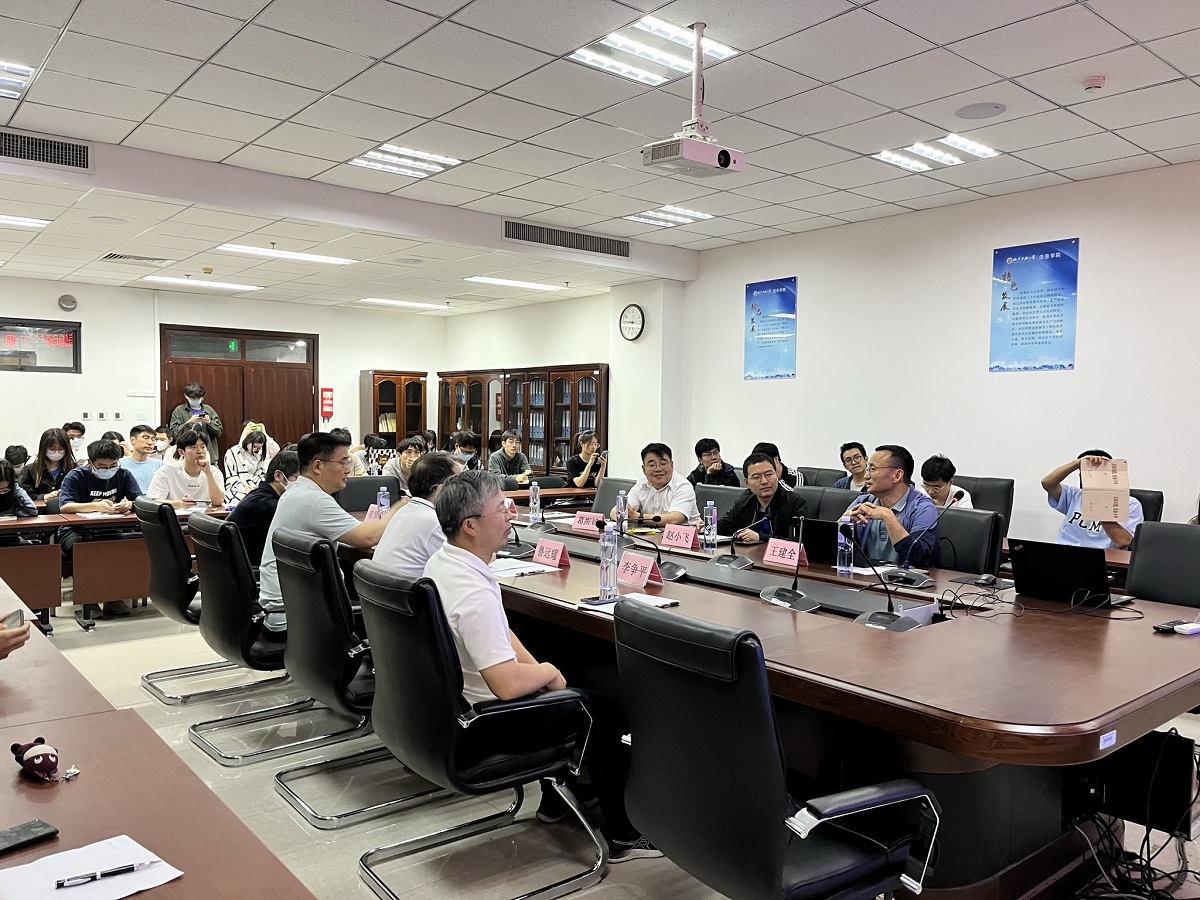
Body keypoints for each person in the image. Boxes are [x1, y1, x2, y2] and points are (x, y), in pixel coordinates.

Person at [424, 470, 660, 863]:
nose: (511, 513)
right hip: (489, 721)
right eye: (501, 508)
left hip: (463, 704)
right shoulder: (471, 591)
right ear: (470, 525)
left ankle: (560, 799)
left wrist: (541, 668)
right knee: (606, 710)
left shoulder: (446, 561)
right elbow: (506, 684)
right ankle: (623, 834)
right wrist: (547, 673)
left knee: (567, 666)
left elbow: (501, 633)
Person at [257, 431, 399, 632]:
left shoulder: (296, 492)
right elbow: (368, 537)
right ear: (317, 466)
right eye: (343, 462)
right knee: (396, 620)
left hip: (285, 609)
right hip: (302, 618)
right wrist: (399, 508)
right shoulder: (314, 500)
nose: (348, 469)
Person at [57, 438, 144, 623]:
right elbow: (65, 507)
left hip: (109, 528)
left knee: (122, 546)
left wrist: (130, 504)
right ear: (91, 463)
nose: (109, 470)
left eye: (113, 465)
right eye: (103, 466)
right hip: (74, 531)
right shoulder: (75, 476)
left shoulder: (123, 474)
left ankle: (114, 598)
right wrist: (97, 506)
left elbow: (140, 500)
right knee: (88, 550)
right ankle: (90, 601)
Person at [845, 445, 940, 567]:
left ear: (897, 475)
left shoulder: (923, 508)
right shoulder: (863, 501)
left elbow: (915, 556)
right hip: (865, 575)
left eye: (872, 469)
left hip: (906, 578)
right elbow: (831, 548)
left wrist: (887, 515)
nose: (866, 476)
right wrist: (844, 520)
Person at [375, 452, 462, 577]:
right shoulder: (433, 521)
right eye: (459, 484)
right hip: (408, 589)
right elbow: (462, 565)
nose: (463, 490)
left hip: (387, 587)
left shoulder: (405, 511)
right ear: (441, 489)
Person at [1041, 450, 1144, 550]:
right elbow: (1047, 483)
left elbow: (1123, 542)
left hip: (1102, 556)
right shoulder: (1074, 494)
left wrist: (1098, 505)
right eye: (1084, 473)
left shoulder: (1130, 504)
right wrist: (1077, 463)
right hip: (1065, 549)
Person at [227, 450, 300, 565]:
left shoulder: (261, 495)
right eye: (297, 478)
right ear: (278, 475)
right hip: (249, 567)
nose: (301, 484)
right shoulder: (267, 504)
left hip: (236, 565)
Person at [716, 453, 807, 542]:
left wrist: (760, 537)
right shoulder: (743, 504)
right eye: (756, 477)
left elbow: (797, 541)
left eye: (769, 474)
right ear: (747, 483)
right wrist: (707, 525)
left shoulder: (795, 503)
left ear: (777, 475)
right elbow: (722, 527)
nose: (764, 481)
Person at [615, 443, 699, 526]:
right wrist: (625, 513)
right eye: (652, 465)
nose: (658, 469)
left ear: (672, 465)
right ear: (644, 469)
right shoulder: (641, 485)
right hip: (651, 533)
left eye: (663, 464)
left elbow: (675, 518)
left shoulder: (683, 486)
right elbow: (616, 512)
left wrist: (637, 517)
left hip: (682, 533)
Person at [146, 430, 226, 509]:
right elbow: (154, 502)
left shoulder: (214, 472)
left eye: (203, 447)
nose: (200, 451)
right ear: (181, 452)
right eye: (193, 447)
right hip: (176, 515)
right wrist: (180, 504)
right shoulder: (166, 471)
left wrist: (208, 473)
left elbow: (218, 502)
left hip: (205, 515)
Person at [168, 383, 222, 465]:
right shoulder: (179, 411)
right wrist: (189, 422)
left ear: (202, 398)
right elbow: (174, 433)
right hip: (185, 458)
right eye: (192, 398)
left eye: (198, 398)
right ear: (186, 396)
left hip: (209, 457)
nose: (195, 400)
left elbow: (218, 431)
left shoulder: (209, 410)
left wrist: (209, 422)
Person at [19, 428, 76, 500]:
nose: (56, 452)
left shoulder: (74, 470)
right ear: (44, 449)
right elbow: (22, 496)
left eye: (61, 449)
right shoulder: (30, 470)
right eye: (52, 449)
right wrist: (44, 497)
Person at [224, 429, 270, 503]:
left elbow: (260, 476)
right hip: (236, 489)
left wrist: (256, 487)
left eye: (259, 448)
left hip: (255, 488)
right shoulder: (232, 453)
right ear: (248, 441)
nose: (256, 450)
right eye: (255, 446)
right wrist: (244, 487)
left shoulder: (260, 455)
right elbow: (231, 477)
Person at [119, 425, 164, 493]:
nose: (150, 443)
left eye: (153, 439)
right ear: (133, 440)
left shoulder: (160, 465)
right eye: (145, 438)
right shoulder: (120, 464)